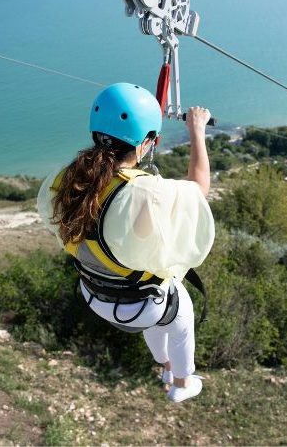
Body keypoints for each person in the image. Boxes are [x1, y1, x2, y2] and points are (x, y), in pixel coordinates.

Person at [37, 82, 215, 403]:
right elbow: (198, 188)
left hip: (94, 293)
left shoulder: (70, 177)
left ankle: (164, 365)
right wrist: (197, 130)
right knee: (179, 310)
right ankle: (181, 383)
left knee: (158, 304)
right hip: (136, 305)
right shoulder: (143, 191)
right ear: (148, 143)